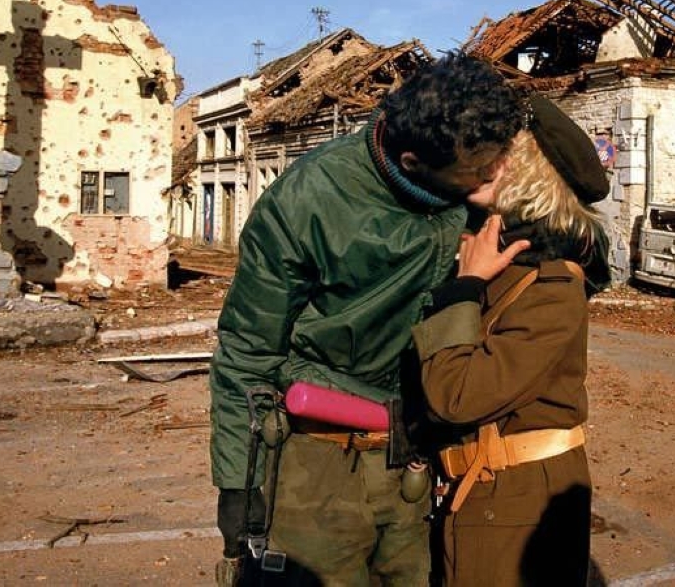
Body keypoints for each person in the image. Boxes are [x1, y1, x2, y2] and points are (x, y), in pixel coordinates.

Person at [210, 53, 524, 586]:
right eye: (480, 168)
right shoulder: (306, 201)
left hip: (413, 462)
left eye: (501, 159)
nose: (500, 174)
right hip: (317, 465)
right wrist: (238, 487)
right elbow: (247, 350)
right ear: (411, 161)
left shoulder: (472, 187)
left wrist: (499, 198)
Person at [411, 94, 611, 586]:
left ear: (529, 173)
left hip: (519, 502)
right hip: (485, 491)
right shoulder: (502, 262)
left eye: (499, 158)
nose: (478, 164)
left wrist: (462, 289)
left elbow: (457, 395)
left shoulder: (553, 284)